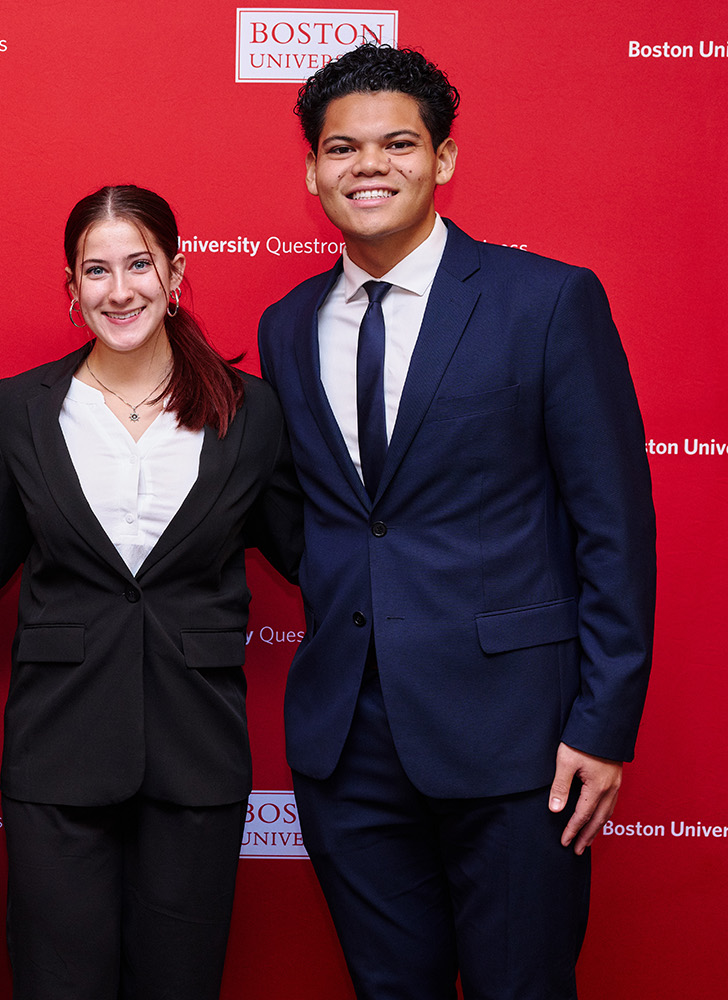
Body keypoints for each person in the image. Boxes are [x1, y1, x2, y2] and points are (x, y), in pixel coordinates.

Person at [256, 44, 655, 998]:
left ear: (444, 159)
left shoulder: (547, 302)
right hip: (347, 741)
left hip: (523, 739)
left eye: (398, 143)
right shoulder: (286, 324)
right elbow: (312, 516)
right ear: (312, 170)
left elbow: (616, 527)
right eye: (342, 148)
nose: (369, 166)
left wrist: (603, 725)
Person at [0, 185, 300, 1000]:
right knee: (57, 982)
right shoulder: (21, 408)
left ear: (176, 273)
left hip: (196, 750)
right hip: (57, 747)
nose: (119, 290)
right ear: (72, 290)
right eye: (96, 271)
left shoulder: (251, 411)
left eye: (139, 265)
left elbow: (308, 553)